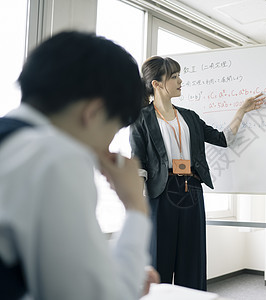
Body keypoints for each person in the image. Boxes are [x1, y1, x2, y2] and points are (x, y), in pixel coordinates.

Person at [0, 31, 158, 299]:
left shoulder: (13, 143)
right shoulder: (57, 157)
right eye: (112, 131)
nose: (106, 149)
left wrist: (111, 272)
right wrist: (135, 208)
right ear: (93, 113)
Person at [129, 56, 265, 291]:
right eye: (174, 77)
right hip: (160, 194)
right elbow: (138, 163)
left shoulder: (189, 117)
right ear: (157, 84)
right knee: (158, 259)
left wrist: (242, 111)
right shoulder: (142, 118)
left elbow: (223, 140)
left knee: (192, 259)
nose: (180, 80)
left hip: (191, 189)